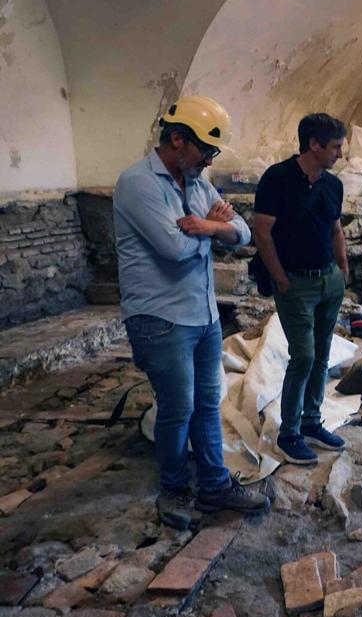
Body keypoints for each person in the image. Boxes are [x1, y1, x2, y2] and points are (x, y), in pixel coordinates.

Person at [114, 96, 271, 529]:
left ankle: (215, 484)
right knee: (177, 407)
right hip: (160, 317)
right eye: (206, 150)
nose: (210, 161)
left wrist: (209, 225)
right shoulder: (138, 184)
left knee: (207, 403)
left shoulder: (197, 184)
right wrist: (212, 230)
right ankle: (175, 488)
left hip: (202, 315)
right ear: (178, 140)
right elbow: (174, 249)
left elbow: (241, 232)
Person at [253, 113, 350, 465]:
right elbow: (262, 231)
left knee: (322, 353)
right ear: (314, 144)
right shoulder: (277, 179)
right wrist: (279, 276)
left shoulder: (332, 185)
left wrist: (342, 269)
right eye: (335, 146)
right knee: (304, 355)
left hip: (328, 280)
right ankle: (289, 433)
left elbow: (335, 229)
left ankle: (311, 421)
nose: (340, 153)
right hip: (295, 282)